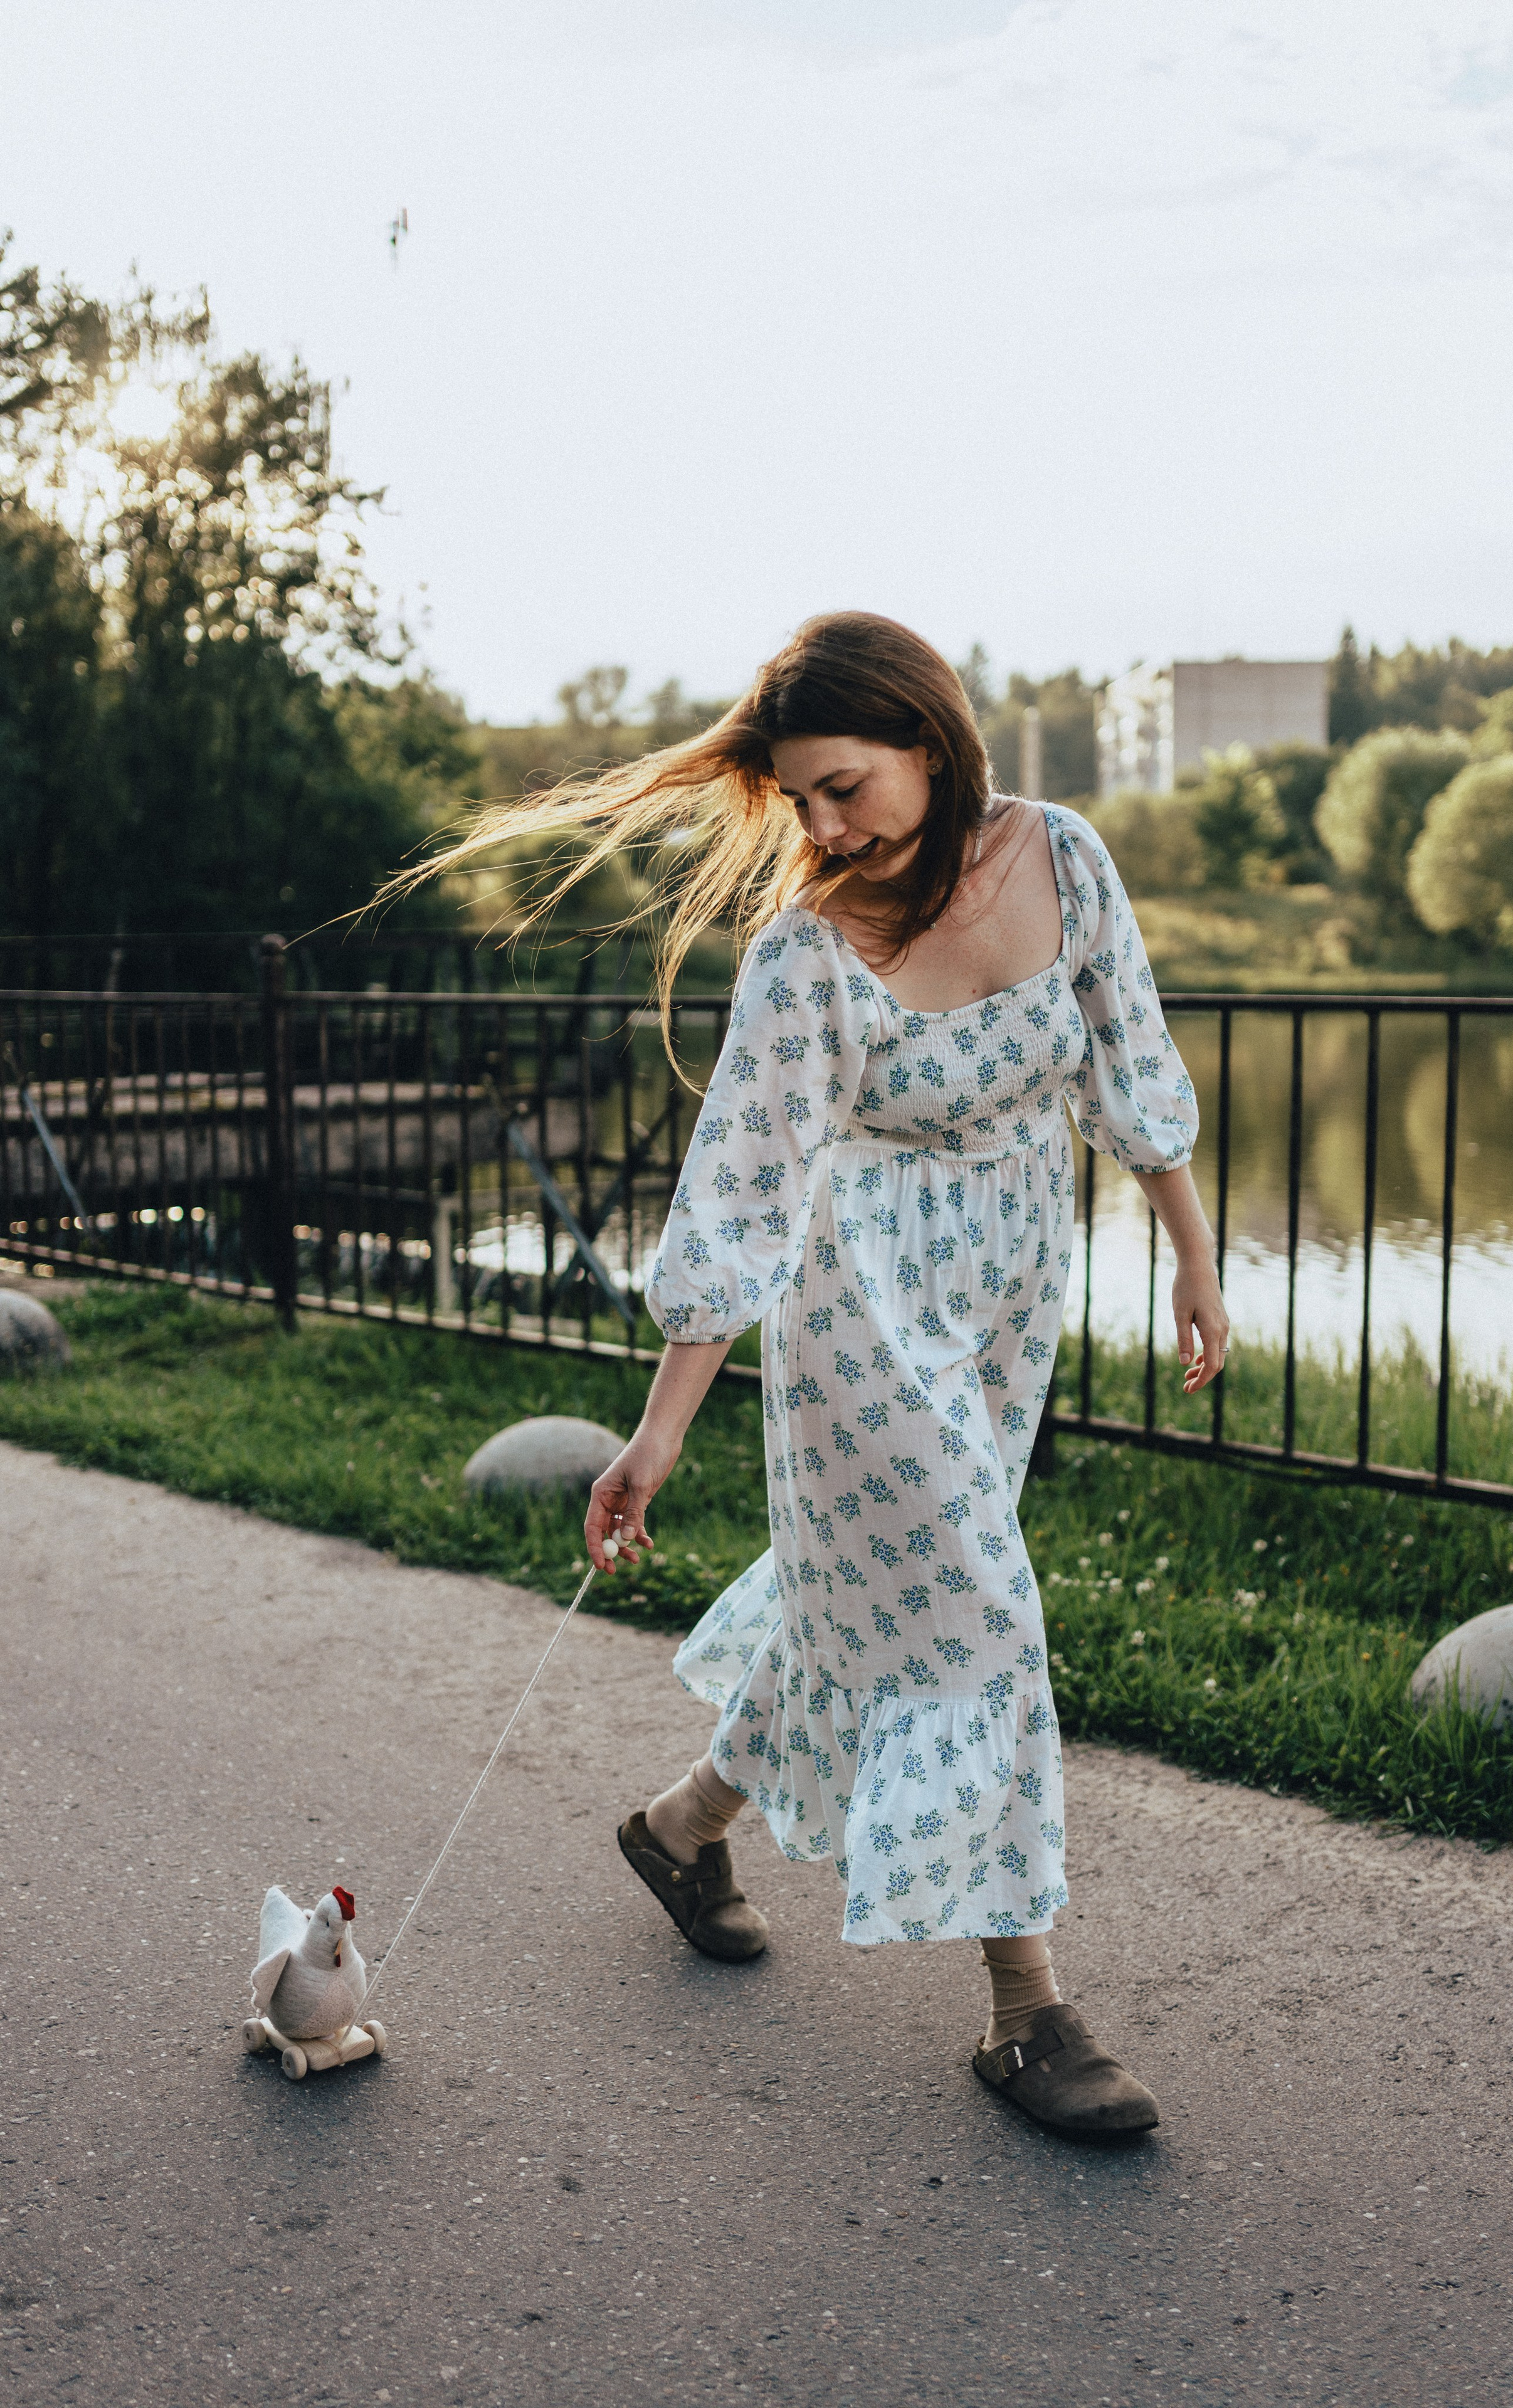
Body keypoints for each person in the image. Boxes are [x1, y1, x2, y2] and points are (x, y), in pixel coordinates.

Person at [435, 611, 1228, 2135]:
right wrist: (657, 1436)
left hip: (1008, 1284)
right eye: (799, 797)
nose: (822, 823)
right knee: (978, 1609)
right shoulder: (805, 953)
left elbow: (1124, 1055)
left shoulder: (1059, 858)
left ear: (932, 745)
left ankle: (684, 1827)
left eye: (845, 785)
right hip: (855, 1299)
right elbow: (739, 1191)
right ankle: (1025, 2014)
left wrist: (1190, 1252)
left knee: (875, 1595)